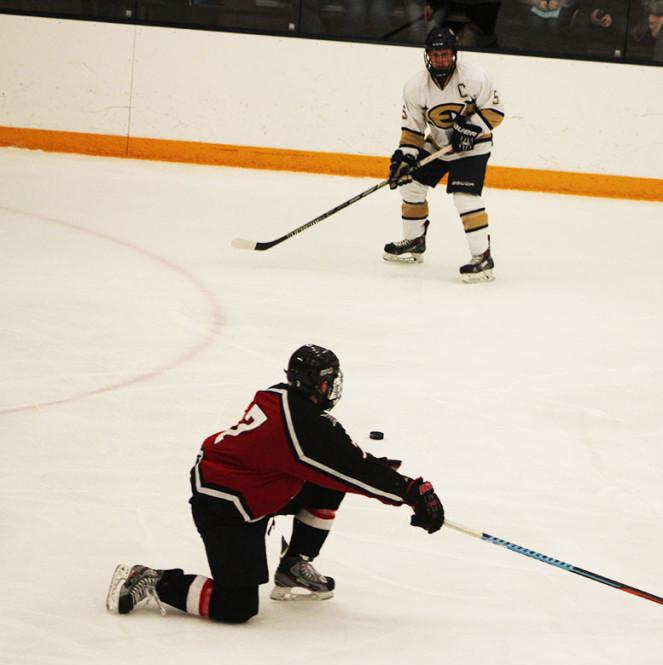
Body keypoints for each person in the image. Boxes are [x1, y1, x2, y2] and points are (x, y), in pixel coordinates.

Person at [106, 344, 445, 623]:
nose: (334, 387)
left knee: (329, 483)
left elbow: (339, 463)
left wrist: (372, 472)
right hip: (225, 505)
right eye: (330, 380)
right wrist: (413, 492)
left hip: (256, 487)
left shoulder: (286, 400)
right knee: (235, 607)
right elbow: (346, 466)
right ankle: (151, 578)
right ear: (319, 384)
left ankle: (294, 566)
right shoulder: (300, 425)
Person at [384, 26, 505, 283]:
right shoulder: (416, 86)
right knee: (411, 185)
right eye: (435, 54)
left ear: (454, 53)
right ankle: (415, 241)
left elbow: (496, 112)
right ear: (427, 55)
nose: (440, 59)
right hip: (439, 145)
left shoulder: (475, 76)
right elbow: (412, 130)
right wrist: (404, 158)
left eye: (445, 54)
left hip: (475, 147)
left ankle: (482, 257)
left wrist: (470, 130)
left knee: (464, 197)